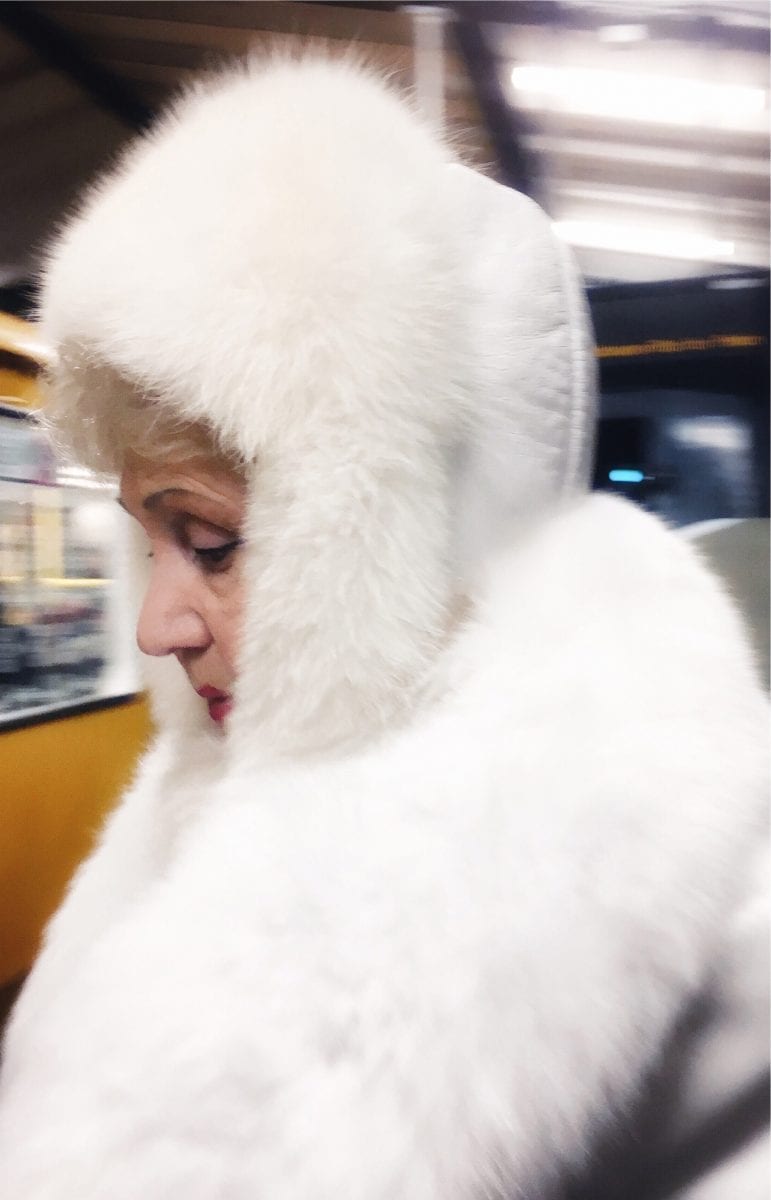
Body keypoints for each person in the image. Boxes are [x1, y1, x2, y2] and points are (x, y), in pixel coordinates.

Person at [0, 58, 766, 1200]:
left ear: (410, 533)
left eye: (209, 544)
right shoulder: (201, 806)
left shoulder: (717, 933)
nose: (159, 624)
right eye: (149, 543)